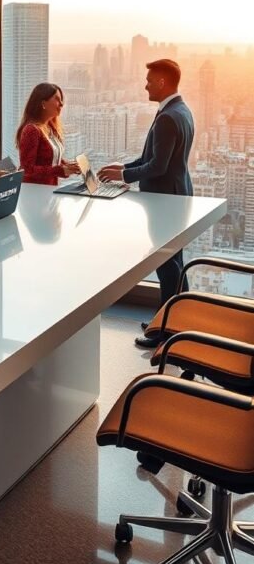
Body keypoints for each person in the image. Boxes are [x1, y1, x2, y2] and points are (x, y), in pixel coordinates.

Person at [98, 58, 194, 347]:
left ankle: (165, 331)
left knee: (167, 265)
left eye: (150, 80)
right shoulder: (181, 110)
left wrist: (126, 174)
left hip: (164, 200)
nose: (145, 85)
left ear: (163, 82)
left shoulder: (167, 117)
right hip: (176, 195)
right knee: (174, 261)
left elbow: (158, 167)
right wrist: (122, 169)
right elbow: (152, 160)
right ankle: (178, 321)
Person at [15, 82, 80, 186]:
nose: (62, 104)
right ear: (43, 103)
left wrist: (68, 166)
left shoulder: (50, 127)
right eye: (57, 99)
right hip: (33, 192)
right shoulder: (31, 130)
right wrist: (60, 170)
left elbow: (49, 159)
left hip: (48, 190)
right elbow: (27, 169)